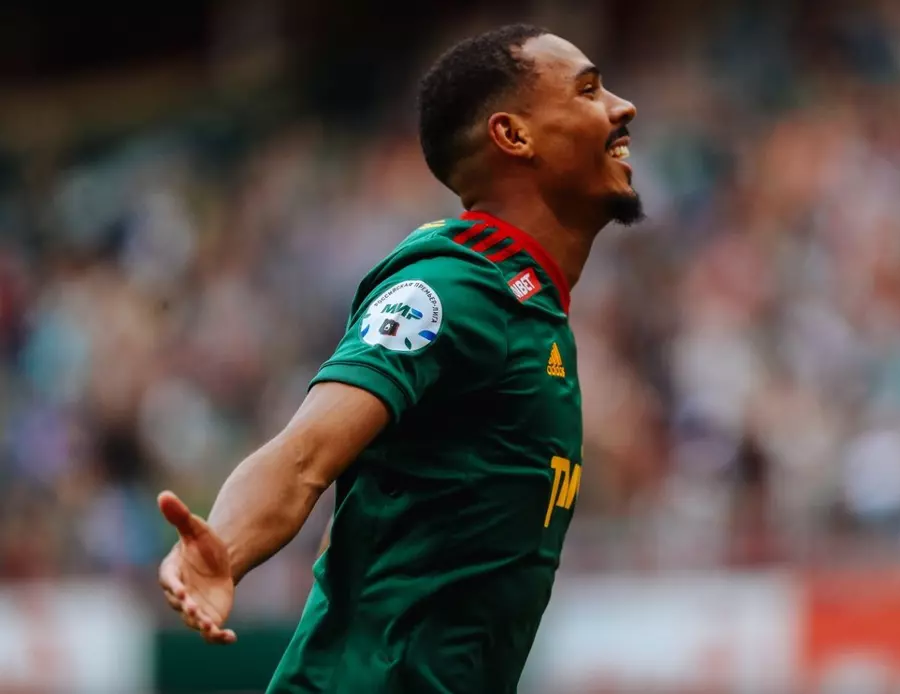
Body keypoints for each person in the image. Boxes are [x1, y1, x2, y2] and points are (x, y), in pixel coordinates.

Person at [156, 23, 640, 693]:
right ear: (513, 135)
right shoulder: (451, 290)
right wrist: (225, 549)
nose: (622, 107)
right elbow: (303, 454)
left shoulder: (527, 304)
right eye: (588, 90)